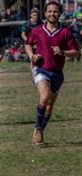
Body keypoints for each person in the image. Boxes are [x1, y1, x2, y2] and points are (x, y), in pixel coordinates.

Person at [25, 1, 79, 145]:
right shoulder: (37, 30)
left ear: (59, 13)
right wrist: (32, 56)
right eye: (49, 11)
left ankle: (40, 129)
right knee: (44, 97)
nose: (52, 14)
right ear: (45, 13)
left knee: (49, 106)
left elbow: (76, 52)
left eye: (55, 11)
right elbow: (28, 43)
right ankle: (37, 127)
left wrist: (63, 52)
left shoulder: (65, 32)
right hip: (40, 69)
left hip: (57, 73)